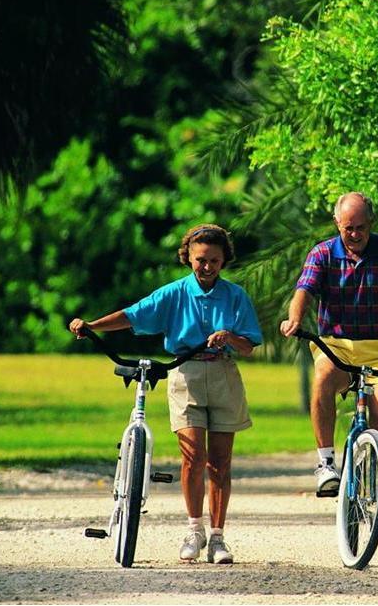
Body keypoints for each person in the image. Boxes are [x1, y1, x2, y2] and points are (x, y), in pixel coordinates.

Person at [69, 223, 261, 564]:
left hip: (223, 376)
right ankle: (193, 530)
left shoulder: (235, 297)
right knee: (192, 457)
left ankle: (217, 537)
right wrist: (92, 326)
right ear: (188, 257)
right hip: (184, 373)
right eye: (201, 259)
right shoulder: (174, 293)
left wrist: (229, 337)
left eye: (214, 260)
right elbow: (132, 315)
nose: (207, 266)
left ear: (223, 261)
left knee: (220, 461)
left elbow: (249, 347)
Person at [279, 191, 378, 537]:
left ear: (372, 224)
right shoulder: (322, 253)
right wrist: (294, 320)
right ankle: (325, 463)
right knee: (322, 375)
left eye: (361, 228)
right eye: (348, 228)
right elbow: (303, 291)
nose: (355, 235)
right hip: (337, 344)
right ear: (338, 223)